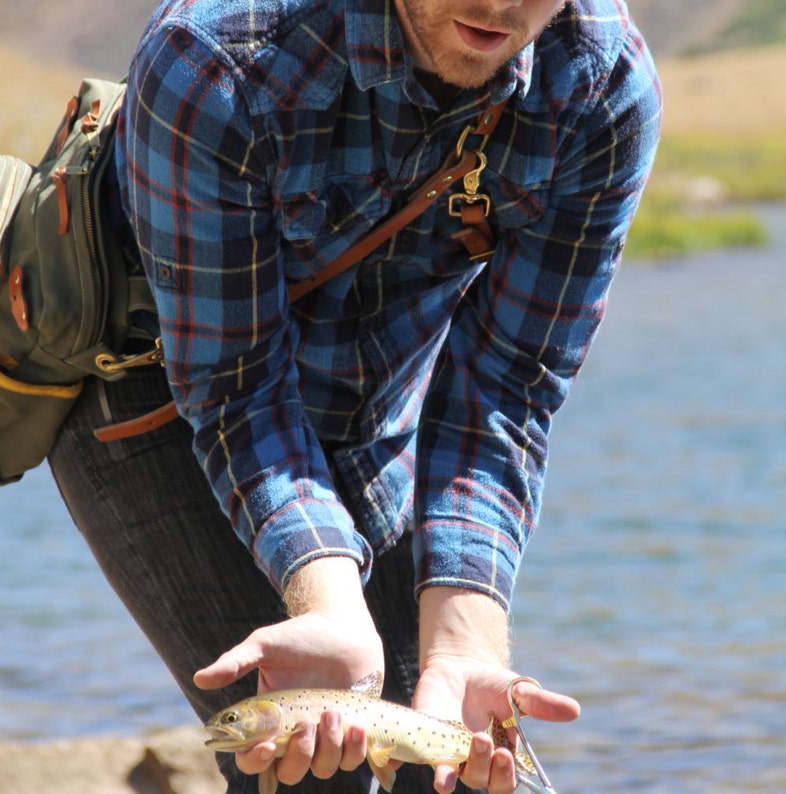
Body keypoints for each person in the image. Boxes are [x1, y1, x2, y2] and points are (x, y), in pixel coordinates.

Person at [47, 0, 661, 792]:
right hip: (158, 387)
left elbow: (505, 390)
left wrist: (465, 640)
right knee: (311, 772)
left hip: (379, 404)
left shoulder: (602, 86)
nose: (499, 3)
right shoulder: (212, 59)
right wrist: (329, 603)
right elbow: (237, 389)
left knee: (463, 764)